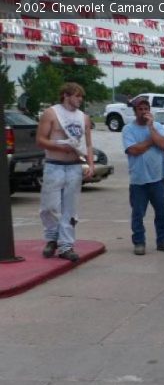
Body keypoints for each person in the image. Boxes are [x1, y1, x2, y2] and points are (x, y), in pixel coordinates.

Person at [35, 82, 94, 262]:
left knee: (70, 208)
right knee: (50, 206)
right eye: (77, 96)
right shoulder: (51, 113)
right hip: (54, 165)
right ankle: (52, 237)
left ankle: (66, 245)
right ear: (66, 96)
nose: (80, 99)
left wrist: (91, 165)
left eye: (81, 96)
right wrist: (61, 147)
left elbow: (88, 144)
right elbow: (40, 140)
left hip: (74, 166)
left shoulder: (83, 117)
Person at [122, 96, 164, 255]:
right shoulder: (128, 130)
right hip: (138, 180)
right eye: (140, 109)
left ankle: (163, 240)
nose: (144, 112)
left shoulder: (157, 126)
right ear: (135, 111)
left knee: (162, 212)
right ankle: (139, 242)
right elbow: (133, 150)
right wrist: (151, 141)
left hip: (158, 178)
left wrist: (151, 129)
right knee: (138, 213)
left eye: (146, 109)